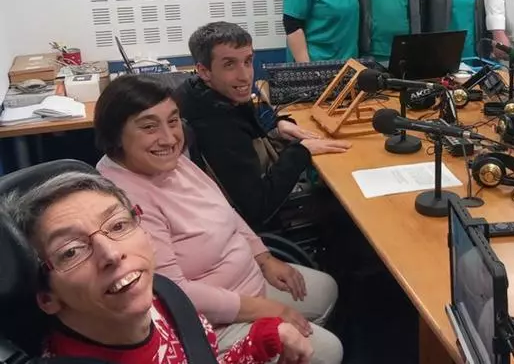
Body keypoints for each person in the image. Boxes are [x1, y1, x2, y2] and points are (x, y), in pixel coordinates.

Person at [94, 75, 343, 364]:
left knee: (326, 289)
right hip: (210, 321)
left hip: (246, 283)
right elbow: (173, 294)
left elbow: (225, 210)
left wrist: (263, 258)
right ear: (115, 136)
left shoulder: (170, 161)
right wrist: (268, 310)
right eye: (149, 126)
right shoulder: (124, 201)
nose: (169, 138)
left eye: (173, 121)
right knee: (329, 350)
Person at [0, 171, 313, 363]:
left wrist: (261, 341)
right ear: (47, 297)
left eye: (118, 225)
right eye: (71, 251)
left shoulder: (166, 300)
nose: (112, 253)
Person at [174, 22, 351, 226]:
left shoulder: (204, 93)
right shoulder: (217, 127)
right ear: (204, 71)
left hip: (251, 191)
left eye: (248, 61)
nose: (245, 76)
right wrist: (301, 151)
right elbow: (258, 208)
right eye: (229, 65)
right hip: (257, 220)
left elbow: (249, 135)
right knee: (343, 202)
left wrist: (278, 129)